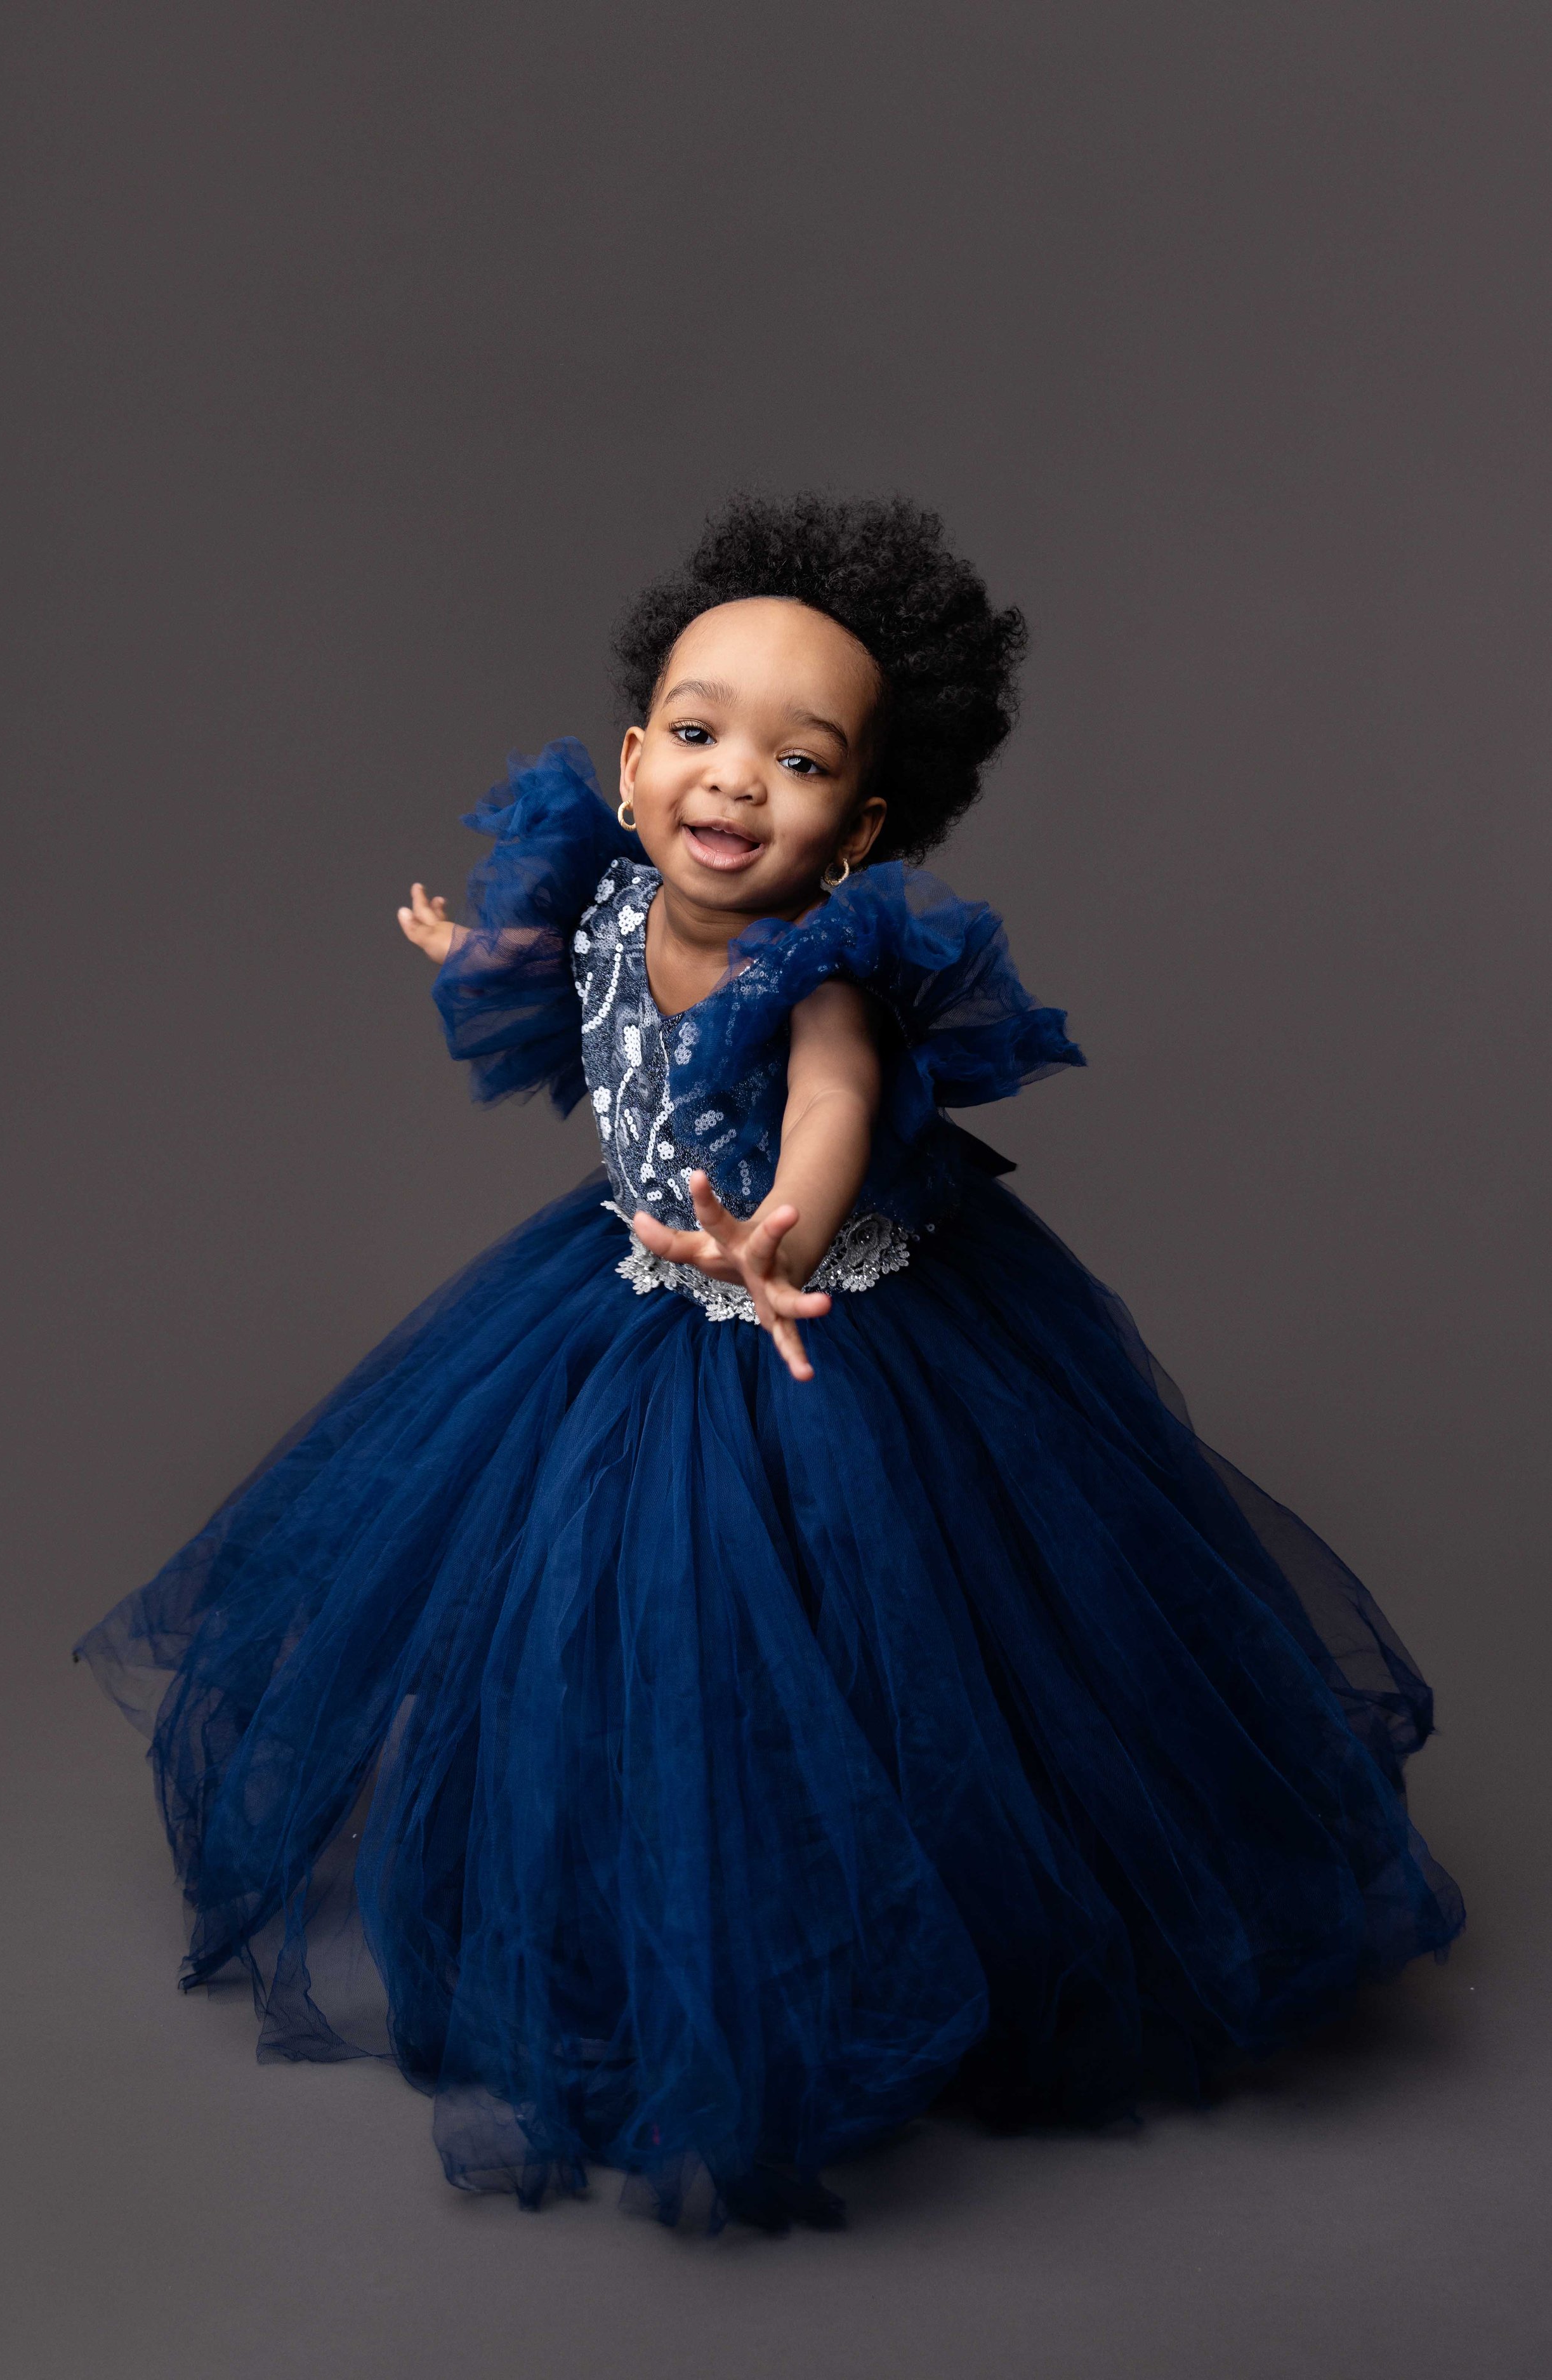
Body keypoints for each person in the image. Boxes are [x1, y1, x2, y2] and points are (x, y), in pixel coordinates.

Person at [77, 493, 1462, 2234]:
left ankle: (905, 1923)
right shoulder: (603, 905)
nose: (732, 781)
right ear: (633, 752)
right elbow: (566, 987)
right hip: (626, 1314)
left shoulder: (822, 972)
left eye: (794, 762)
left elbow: (828, 1111)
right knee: (608, 1628)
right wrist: (468, 949)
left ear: (860, 824)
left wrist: (783, 1233)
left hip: (823, 1339)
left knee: (879, 1629)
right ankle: (651, 1898)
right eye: (695, 732)